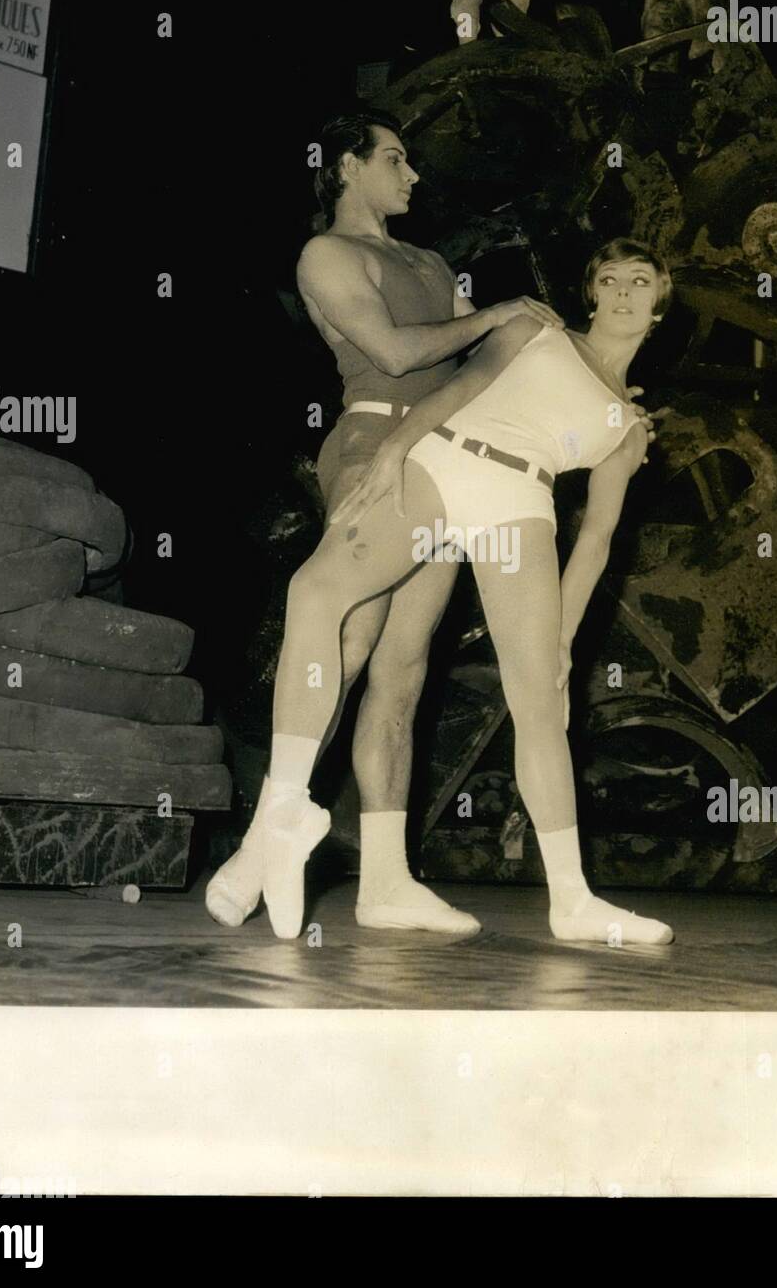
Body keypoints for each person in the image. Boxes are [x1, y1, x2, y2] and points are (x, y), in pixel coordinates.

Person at [248, 236, 677, 946]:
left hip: (522, 503)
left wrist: (563, 640)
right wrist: (394, 449)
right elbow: (456, 390)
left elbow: (597, 539)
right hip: (448, 462)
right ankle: (289, 803)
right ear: (591, 291)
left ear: (659, 306)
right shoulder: (534, 328)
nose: (624, 293)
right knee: (316, 591)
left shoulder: (630, 428)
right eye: (610, 279)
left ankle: (572, 901)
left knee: (541, 702)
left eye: (640, 282)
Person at [205, 110, 566, 937]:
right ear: (345, 166)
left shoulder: (432, 260)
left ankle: (385, 879)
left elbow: (487, 364)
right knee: (346, 635)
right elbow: (399, 353)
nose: (413, 176)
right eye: (396, 159)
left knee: (402, 673)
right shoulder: (327, 255)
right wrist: (498, 314)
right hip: (377, 445)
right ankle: (278, 822)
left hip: (447, 459)